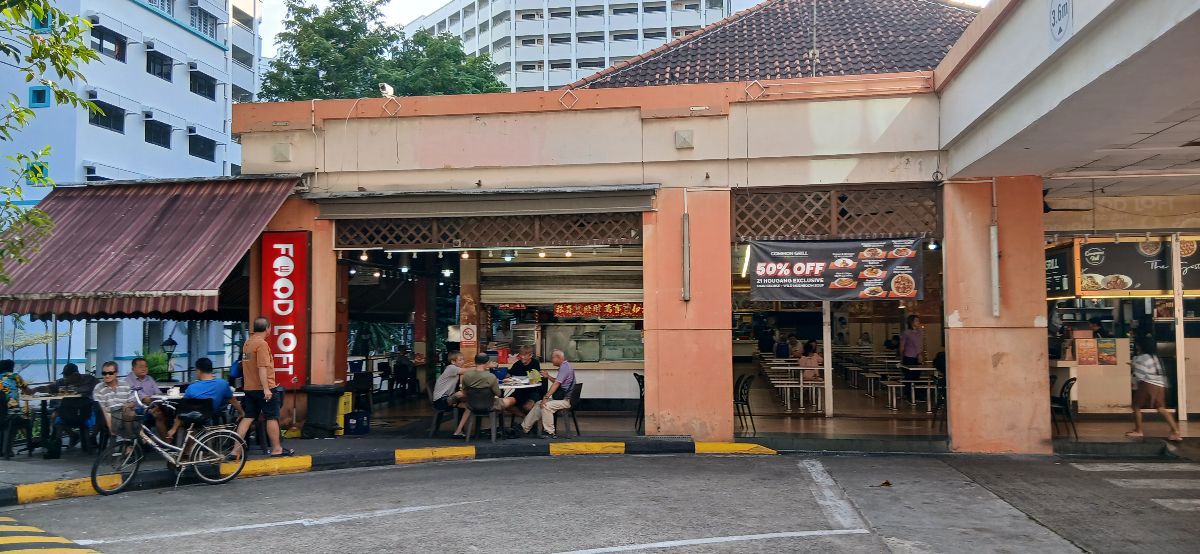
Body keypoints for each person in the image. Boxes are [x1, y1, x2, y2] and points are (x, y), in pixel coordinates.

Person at [236, 317, 293, 457]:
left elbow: (244, 364)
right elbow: (262, 367)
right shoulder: (262, 345)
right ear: (268, 328)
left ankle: (235, 450)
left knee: (248, 417)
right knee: (272, 417)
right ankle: (276, 449)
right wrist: (266, 389)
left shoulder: (247, 344)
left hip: (249, 388)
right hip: (263, 388)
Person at [166, 358, 244, 442]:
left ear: (198, 371)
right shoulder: (222, 384)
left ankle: (183, 446)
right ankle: (192, 449)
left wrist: (173, 429)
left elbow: (184, 408)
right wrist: (241, 412)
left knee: (184, 419)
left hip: (192, 418)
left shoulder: (192, 387)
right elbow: (233, 400)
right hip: (209, 417)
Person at [1127, 336, 1182, 442]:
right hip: (1160, 384)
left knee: (1136, 406)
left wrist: (1133, 368)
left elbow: (1139, 374)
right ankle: (1175, 431)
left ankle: (1138, 430)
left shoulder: (1141, 357)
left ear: (1140, 346)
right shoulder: (1155, 357)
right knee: (1161, 408)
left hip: (1147, 384)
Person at [518, 349, 576, 439]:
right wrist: (548, 376)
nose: (551, 360)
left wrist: (546, 397)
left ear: (558, 358)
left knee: (546, 405)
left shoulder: (565, 367)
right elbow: (558, 381)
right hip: (562, 398)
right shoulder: (565, 366)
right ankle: (524, 428)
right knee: (538, 404)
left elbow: (556, 384)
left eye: (553, 358)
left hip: (565, 400)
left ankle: (549, 432)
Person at [458, 354, 518, 438]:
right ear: (487, 363)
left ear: (475, 362)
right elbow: (498, 394)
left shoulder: (467, 376)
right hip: (490, 405)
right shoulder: (491, 377)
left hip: (472, 405)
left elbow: (465, 390)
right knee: (512, 399)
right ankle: (504, 428)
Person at [126, 357, 168, 437]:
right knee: (159, 415)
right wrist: (155, 402)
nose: (144, 369)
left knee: (172, 412)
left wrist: (158, 401)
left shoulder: (149, 378)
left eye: (145, 366)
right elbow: (144, 399)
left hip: (152, 405)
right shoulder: (128, 380)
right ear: (133, 369)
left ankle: (168, 441)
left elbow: (158, 393)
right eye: (141, 367)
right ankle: (166, 442)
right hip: (137, 409)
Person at [432, 351, 469, 437]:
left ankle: (458, 431)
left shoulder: (455, 370)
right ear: (453, 361)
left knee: (468, 406)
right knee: (461, 394)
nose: (462, 361)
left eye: (463, 359)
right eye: (460, 360)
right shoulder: (451, 368)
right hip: (440, 401)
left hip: (447, 400)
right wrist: (482, 367)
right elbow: (467, 371)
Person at [92, 361, 131, 433]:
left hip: (126, 413)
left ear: (116, 373)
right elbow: (103, 410)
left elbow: (132, 402)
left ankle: (130, 438)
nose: (107, 376)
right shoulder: (98, 388)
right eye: (104, 373)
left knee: (131, 413)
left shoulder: (125, 384)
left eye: (110, 373)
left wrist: (128, 405)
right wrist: (111, 429)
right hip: (109, 415)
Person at [506, 346, 543, 416]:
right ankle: (525, 420)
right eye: (521, 355)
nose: (522, 357)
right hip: (519, 391)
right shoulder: (517, 364)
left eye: (525, 355)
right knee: (506, 405)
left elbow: (535, 379)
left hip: (533, 391)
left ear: (531, 355)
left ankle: (527, 423)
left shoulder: (535, 363)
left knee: (527, 407)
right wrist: (507, 376)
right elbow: (509, 374)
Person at [900, 316, 924, 380]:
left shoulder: (920, 332)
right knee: (909, 376)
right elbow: (902, 346)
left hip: (918, 357)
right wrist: (901, 357)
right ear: (911, 322)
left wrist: (921, 354)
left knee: (917, 375)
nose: (918, 322)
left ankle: (916, 389)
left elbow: (920, 344)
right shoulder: (906, 333)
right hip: (909, 357)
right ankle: (908, 389)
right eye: (916, 321)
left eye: (918, 321)